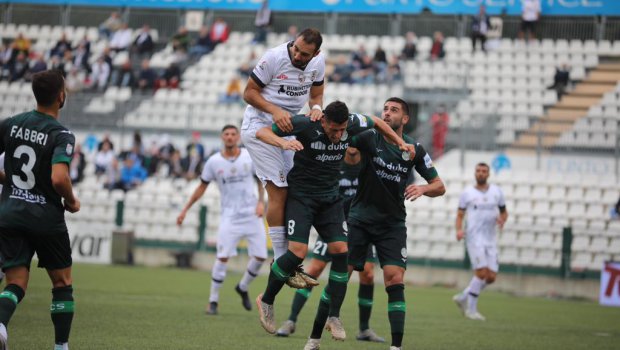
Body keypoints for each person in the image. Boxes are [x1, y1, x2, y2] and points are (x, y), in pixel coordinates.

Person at [253, 101, 415, 345]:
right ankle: (266, 299)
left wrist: (400, 142)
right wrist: (284, 142)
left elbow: (378, 122)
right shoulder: (306, 123)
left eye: (342, 130)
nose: (339, 136)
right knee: (298, 253)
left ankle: (334, 316)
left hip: (331, 200)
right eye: (334, 130)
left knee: (341, 250)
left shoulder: (353, 123)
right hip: (302, 198)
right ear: (323, 120)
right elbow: (261, 132)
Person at [345, 97, 446, 350]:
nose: (388, 113)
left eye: (394, 110)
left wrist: (423, 188)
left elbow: (439, 186)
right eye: (385, 109)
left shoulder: (414, 149)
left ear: (405, 119)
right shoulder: (370, 137)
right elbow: (343, 140)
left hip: (392, 223)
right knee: (342, 273)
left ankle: (396, 346)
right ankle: (321, 329)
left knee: (394, 278)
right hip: (360, 218)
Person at [0, 69, 80, 350]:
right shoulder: (61, 135)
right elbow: (59, 178)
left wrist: (9, 180)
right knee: (62, 282)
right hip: (45, 217)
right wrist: (71, 200)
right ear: (61, 96)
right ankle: (60, 347)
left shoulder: (11, 124)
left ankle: (0, 326)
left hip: (9, 213)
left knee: (16, 282)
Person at [240, 28, 326, 288]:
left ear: (316, 54)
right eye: (296, 49)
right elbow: (249, 92)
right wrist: (275, 110)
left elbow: (317, 94)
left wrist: (316, 109)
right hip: (260, 127)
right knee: (278, 189)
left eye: (305, 53)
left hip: (290, 130)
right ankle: (281, 263)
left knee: (296, 189)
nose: (298, 55)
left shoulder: (318, 63)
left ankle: (291, 260)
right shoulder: (274, 57)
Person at [276, 146, 385, 343]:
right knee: (315, 268)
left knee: (368, 273)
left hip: (361, 226)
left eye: (356, 141)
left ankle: (364, 329)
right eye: (349, 140)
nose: (353, 145)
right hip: (333, 226)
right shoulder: (334, 164)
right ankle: (290, 320)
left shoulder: (368, 166)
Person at [177, 125, 267, 315]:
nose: (230, 137)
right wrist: (185, 209)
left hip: (251, 213)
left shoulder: (248, 156)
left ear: (238, 137)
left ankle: (242, 287)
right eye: (226, 134)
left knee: (260, 256)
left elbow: (260, 180)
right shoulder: (213, 162)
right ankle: (213, 301)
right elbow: (201, 187)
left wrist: (261, 203)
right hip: (230, 217)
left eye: (233, 134)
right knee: (222, 257)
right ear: (221, 137)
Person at [453, 162, 508, 321]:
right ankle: (471, 310)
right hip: (474, 237)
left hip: (490, 238)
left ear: (488, 174)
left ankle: (464, 296)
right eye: (478, 170)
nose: (481, 173)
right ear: (475, 173)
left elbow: (504, 213)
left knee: (490, 277)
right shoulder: (467, 193)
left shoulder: (497, 192)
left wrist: (502, 220)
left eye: (484, 171)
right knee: (481, 273)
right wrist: (458, 230)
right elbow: (459, 215)